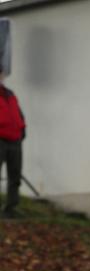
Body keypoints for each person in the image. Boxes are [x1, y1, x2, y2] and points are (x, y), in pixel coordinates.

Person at [0, 69, 25, 219]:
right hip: (1, 140)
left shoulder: (10, 94)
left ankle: (11, 208)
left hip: (15, 140)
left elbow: (19, 113)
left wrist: (23, 128)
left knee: (15, 176)